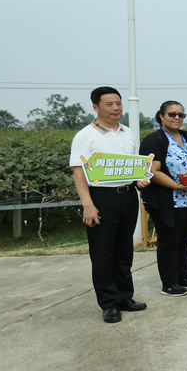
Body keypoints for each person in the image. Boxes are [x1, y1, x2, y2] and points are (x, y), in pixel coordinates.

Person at [69, 87, 149, 324]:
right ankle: (109, 303)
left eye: (118, 103)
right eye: (109, 104)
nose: (116, 108)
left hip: (127, 196)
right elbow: (78, 173)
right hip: (101, 198)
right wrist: (88, 205)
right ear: (96, 107)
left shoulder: (128, 133)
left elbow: (134, 166)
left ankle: (125, 297)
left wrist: (139, 179)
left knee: (124, 250)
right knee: (103, 252)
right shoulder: (85, 136)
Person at [139, 100, 187, 298]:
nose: (177, 118)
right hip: (169, 199)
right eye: (172, 114)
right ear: (161, 116)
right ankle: (169, 282)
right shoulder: (154, 139)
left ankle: (182, 277)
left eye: (181, 115)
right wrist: (177, 185)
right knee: (169, 240)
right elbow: (153, 171)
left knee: (185, 239)